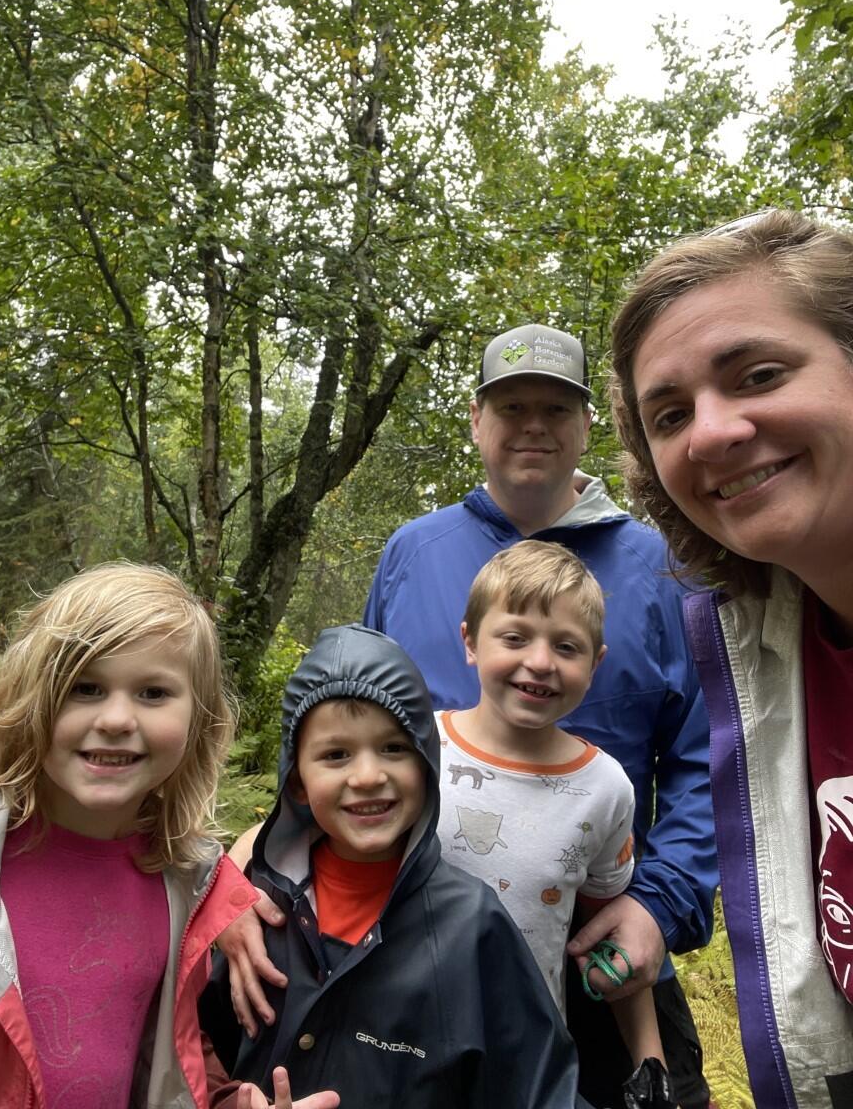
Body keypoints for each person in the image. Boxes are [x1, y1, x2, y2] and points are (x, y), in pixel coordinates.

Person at [363, 323, 716, 1109]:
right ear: (476, 419)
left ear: (587, 425)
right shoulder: (413, 553)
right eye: (511, 404)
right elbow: (349, 731)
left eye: (556, 408)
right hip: (415, 950)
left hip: (603, 949)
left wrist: (659, 903)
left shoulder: (662, 569)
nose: (533, 425)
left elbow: (706, 757)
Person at [0, 562, 338, 1109]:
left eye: (153, 692)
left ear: (199, 720)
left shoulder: (180, 882)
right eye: (85, 688)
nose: (117, 718)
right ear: (33, 700)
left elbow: (170, 1054)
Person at [609, 208, 853, 1109]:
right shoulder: (760, 649)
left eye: (759, 374)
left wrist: (660, 898)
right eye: (668, 414)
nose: (709, 433)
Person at [198, 623, 589, 1108]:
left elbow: (541, 1090)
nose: (368, 776)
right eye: (336, 755)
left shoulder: (472, 926)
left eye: (394, 748)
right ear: (297, 781)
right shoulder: (252, 909)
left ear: (427, 766)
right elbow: (182, 1049)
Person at [438, 539, 672, 1096]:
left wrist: (651, 1063)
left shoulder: (606, 789)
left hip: (528, 1064)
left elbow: (608, 933)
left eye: (567, 647)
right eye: (515, 637)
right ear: (470, 641)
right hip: (398, 1041)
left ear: (596, 663)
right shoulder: (413, 748)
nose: (540, 662)